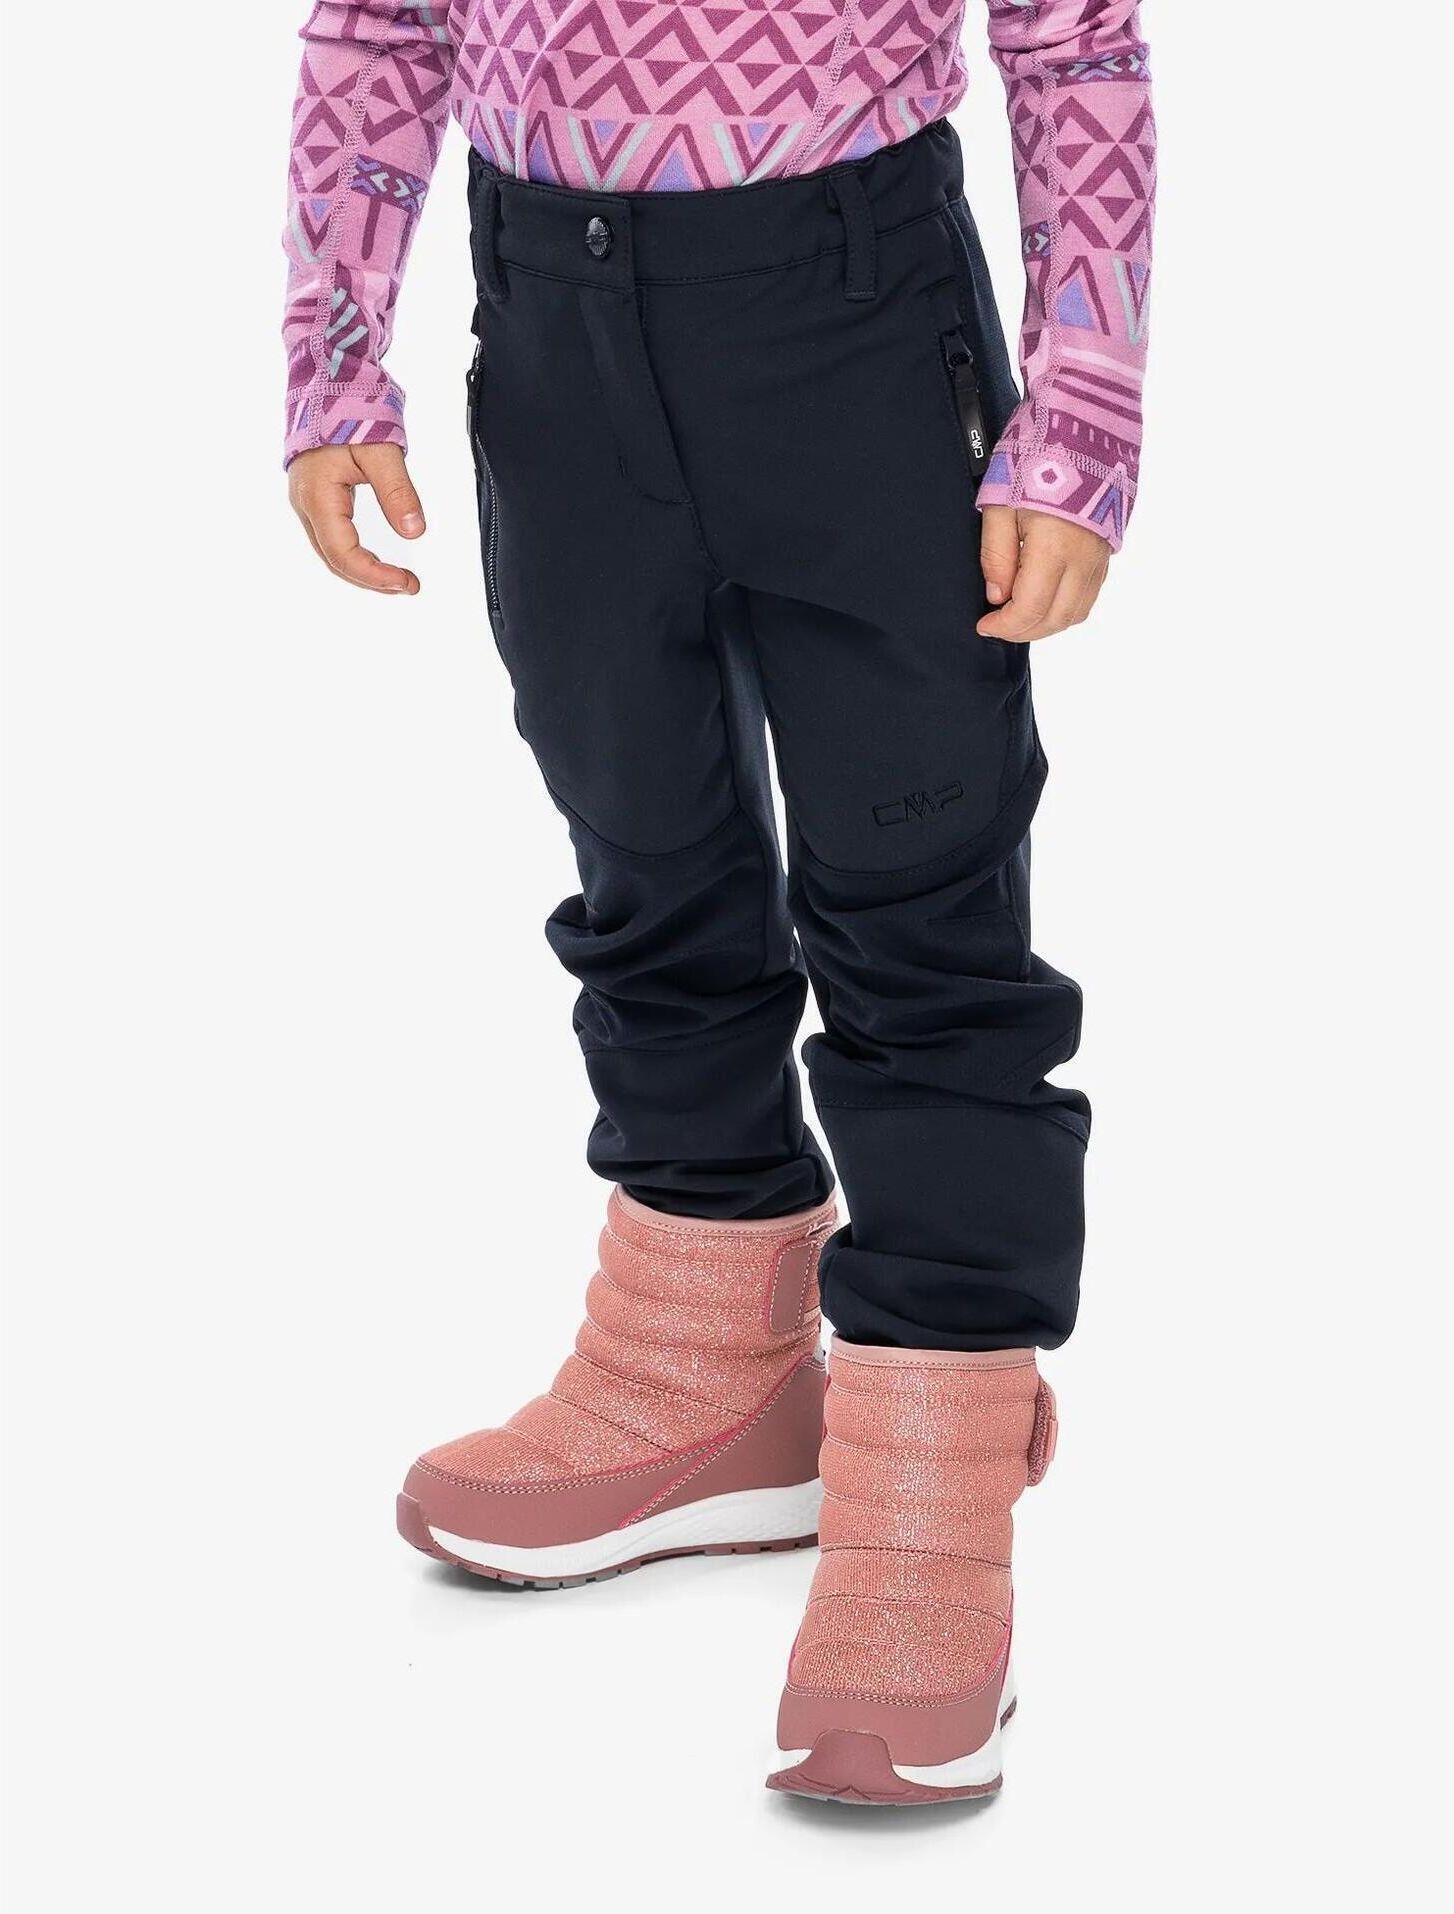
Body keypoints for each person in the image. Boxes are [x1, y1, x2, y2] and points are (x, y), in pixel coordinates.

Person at [284, 0, 1153, 1806]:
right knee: (642, 848)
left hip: (849, 312)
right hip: (548, 316)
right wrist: (331, 357)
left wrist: (1083, 407)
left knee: (917, 897)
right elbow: (380, 24)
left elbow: (1074, 47)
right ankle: (708, 1360)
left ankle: (933, 1471)